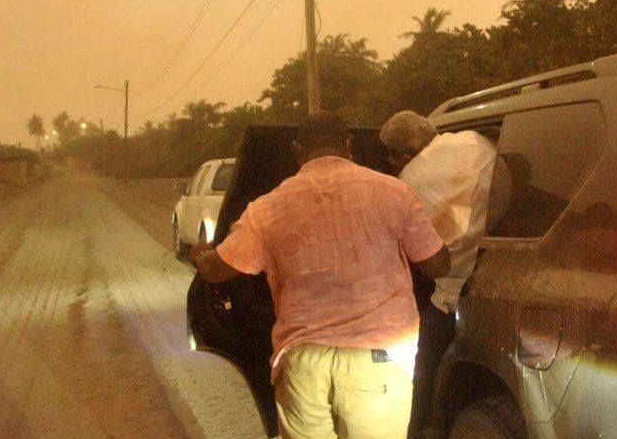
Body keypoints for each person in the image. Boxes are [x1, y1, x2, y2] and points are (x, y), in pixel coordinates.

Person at [190, 111, 450, 439]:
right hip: (378, 360)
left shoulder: (267, 208)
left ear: (298, 149)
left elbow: (216, 271)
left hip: (302, 363)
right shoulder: (395, 193)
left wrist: (200, 254)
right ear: (349, 144)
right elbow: (438, 266)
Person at [378, 110, 499, 438]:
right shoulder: (477, 142)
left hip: (454, 294)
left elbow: (416, 253)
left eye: (392, 159)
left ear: (404, 156)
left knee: (422, 368)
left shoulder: (406, 184)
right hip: (504, 278)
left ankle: (417, 428)